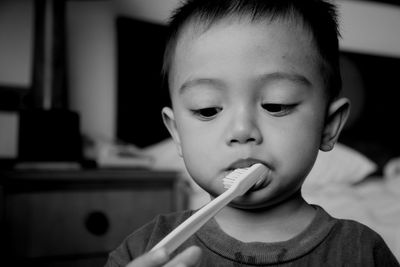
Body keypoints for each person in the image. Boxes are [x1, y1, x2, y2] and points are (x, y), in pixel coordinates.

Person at [105, 0, 400, 266]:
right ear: (177, 133)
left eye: (276, 104)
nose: (242, 131)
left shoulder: (362, 252)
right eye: (207, 109)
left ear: (329, 125)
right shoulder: (143, 250)